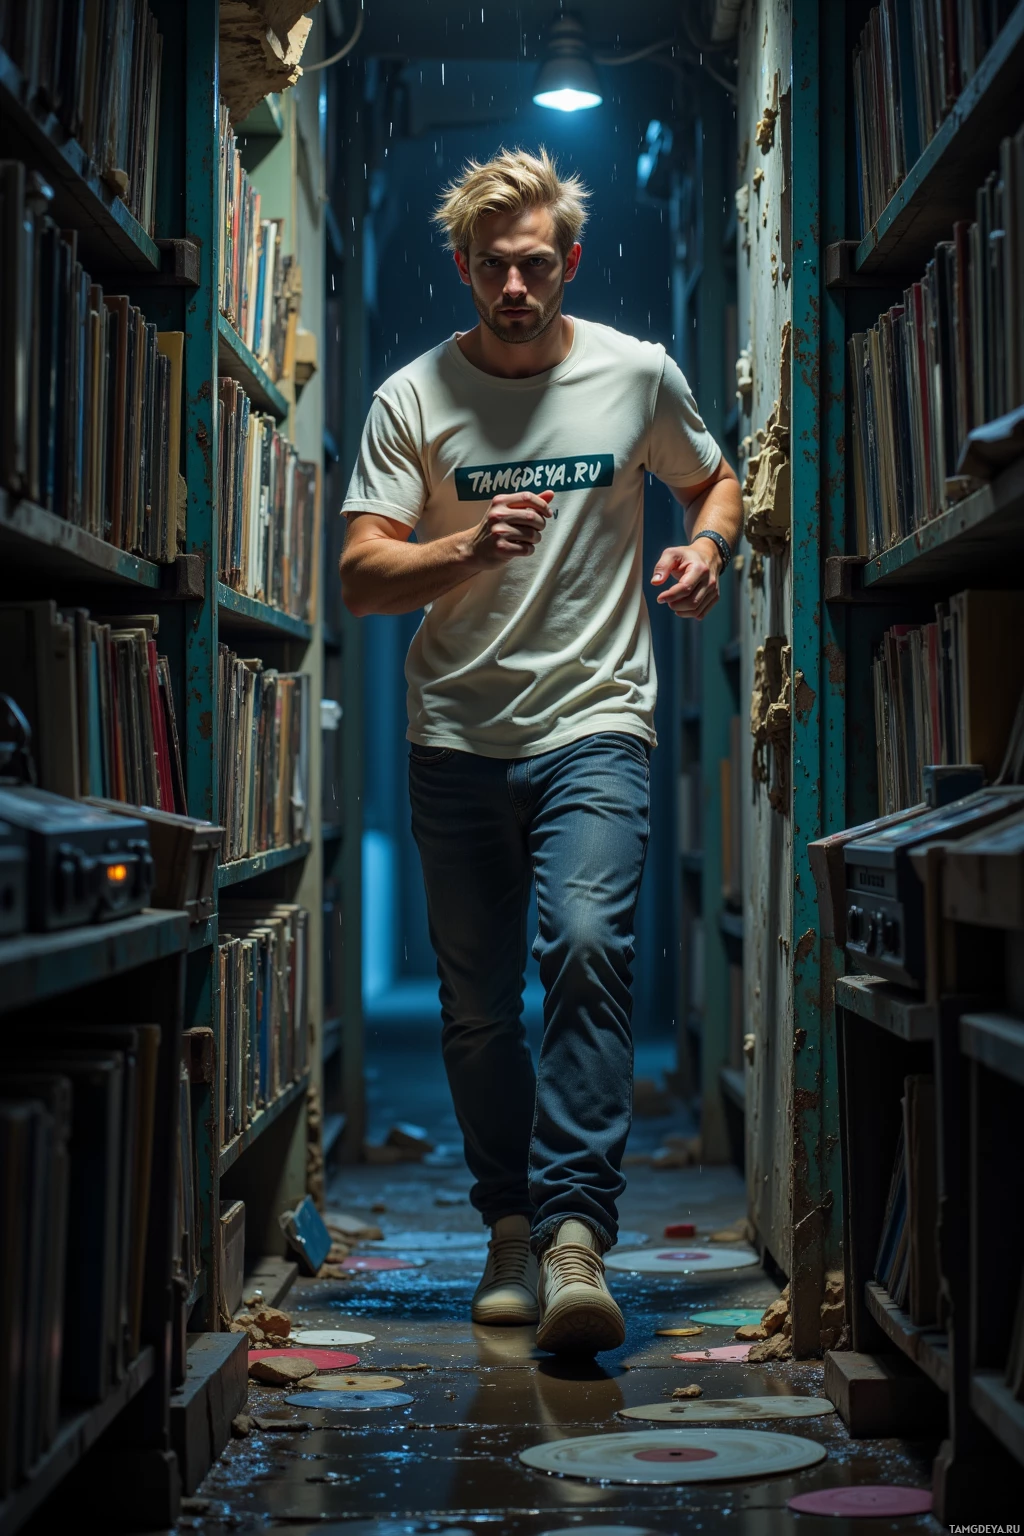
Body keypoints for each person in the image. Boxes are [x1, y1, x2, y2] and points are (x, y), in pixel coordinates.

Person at [340, 147, 742, 1355]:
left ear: (565, 260)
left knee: (583, 947)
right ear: (460, 267)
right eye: (490, 266)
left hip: (596, 721)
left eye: (534, 264)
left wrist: (706, 552)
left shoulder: (636, 374)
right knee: (474, 1007)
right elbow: (362, 575)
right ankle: (507, 1227)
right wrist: (465, 550)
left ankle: (575, 1238)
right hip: (455, 734)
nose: (513, 286)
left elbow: (712, 480)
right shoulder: (413, 400)